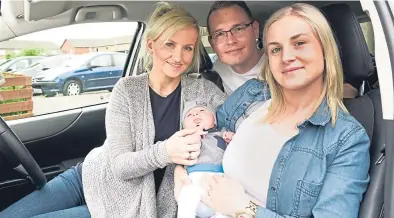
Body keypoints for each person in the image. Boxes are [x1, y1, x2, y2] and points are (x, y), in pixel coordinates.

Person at [0, 2, 226, 218]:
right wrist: (166, 152)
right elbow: (119, 165)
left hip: (126, 206)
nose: (179, 57)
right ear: (150, 45)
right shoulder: (127, 90)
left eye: (187, 48)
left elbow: (245, 120)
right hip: (90, 176)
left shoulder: (203, 91)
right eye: (170, 44)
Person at [176, 3, 370, 218]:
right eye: (276, 49)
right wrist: (180, 170)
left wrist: (245, 208)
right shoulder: (250, 94)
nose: (287, 57)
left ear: (325, 49)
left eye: (299, 43)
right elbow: (208, 135)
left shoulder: (346, 139)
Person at [177, 101, 234, 218]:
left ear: (214, 120)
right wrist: (194, 135)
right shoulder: (184, 137)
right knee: (187, 197)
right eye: (190, 115)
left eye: (202, 111)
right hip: (194, 177)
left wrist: (231, 138)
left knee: (225, 209)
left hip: (219, 176)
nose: (196, 115)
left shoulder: (221, 132)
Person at [207, 1, 265, 95]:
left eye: (238, 29)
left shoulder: (279, 67)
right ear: (212, 44)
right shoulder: (216, 74)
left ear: (255, 29)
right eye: (220, 34)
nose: (230, 40)